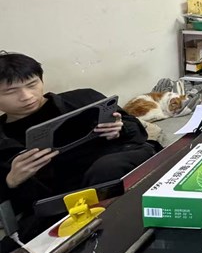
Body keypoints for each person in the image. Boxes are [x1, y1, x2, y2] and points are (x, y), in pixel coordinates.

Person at [0, 52, 155, 241]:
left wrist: (120, 129)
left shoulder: (83, 98)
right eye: (10, 92)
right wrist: (11, 181)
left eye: (32, 85)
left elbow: (138, 132)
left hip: (123, 164)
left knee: (107, 168)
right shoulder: (3, 140)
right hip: (66, 202)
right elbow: (13, 204)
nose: (26, 96)